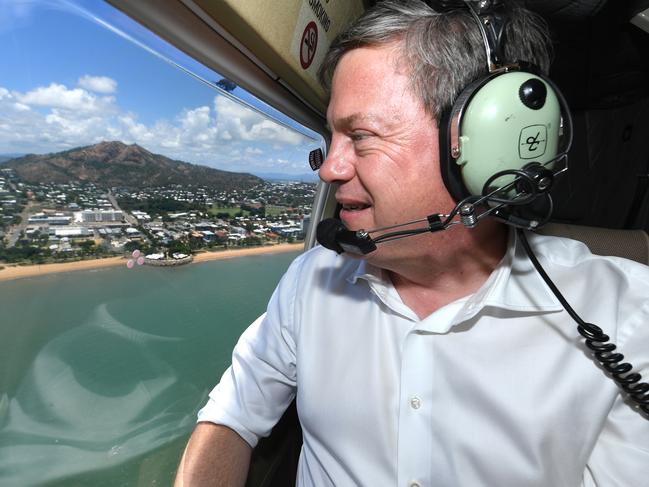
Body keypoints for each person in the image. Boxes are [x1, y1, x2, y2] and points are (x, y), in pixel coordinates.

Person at [175, 1, 649, 486]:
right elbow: (231, 418)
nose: (329, 169)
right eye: (331, 137)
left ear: (487, 147)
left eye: (360, 137)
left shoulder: (628, 317)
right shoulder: (312, 278)